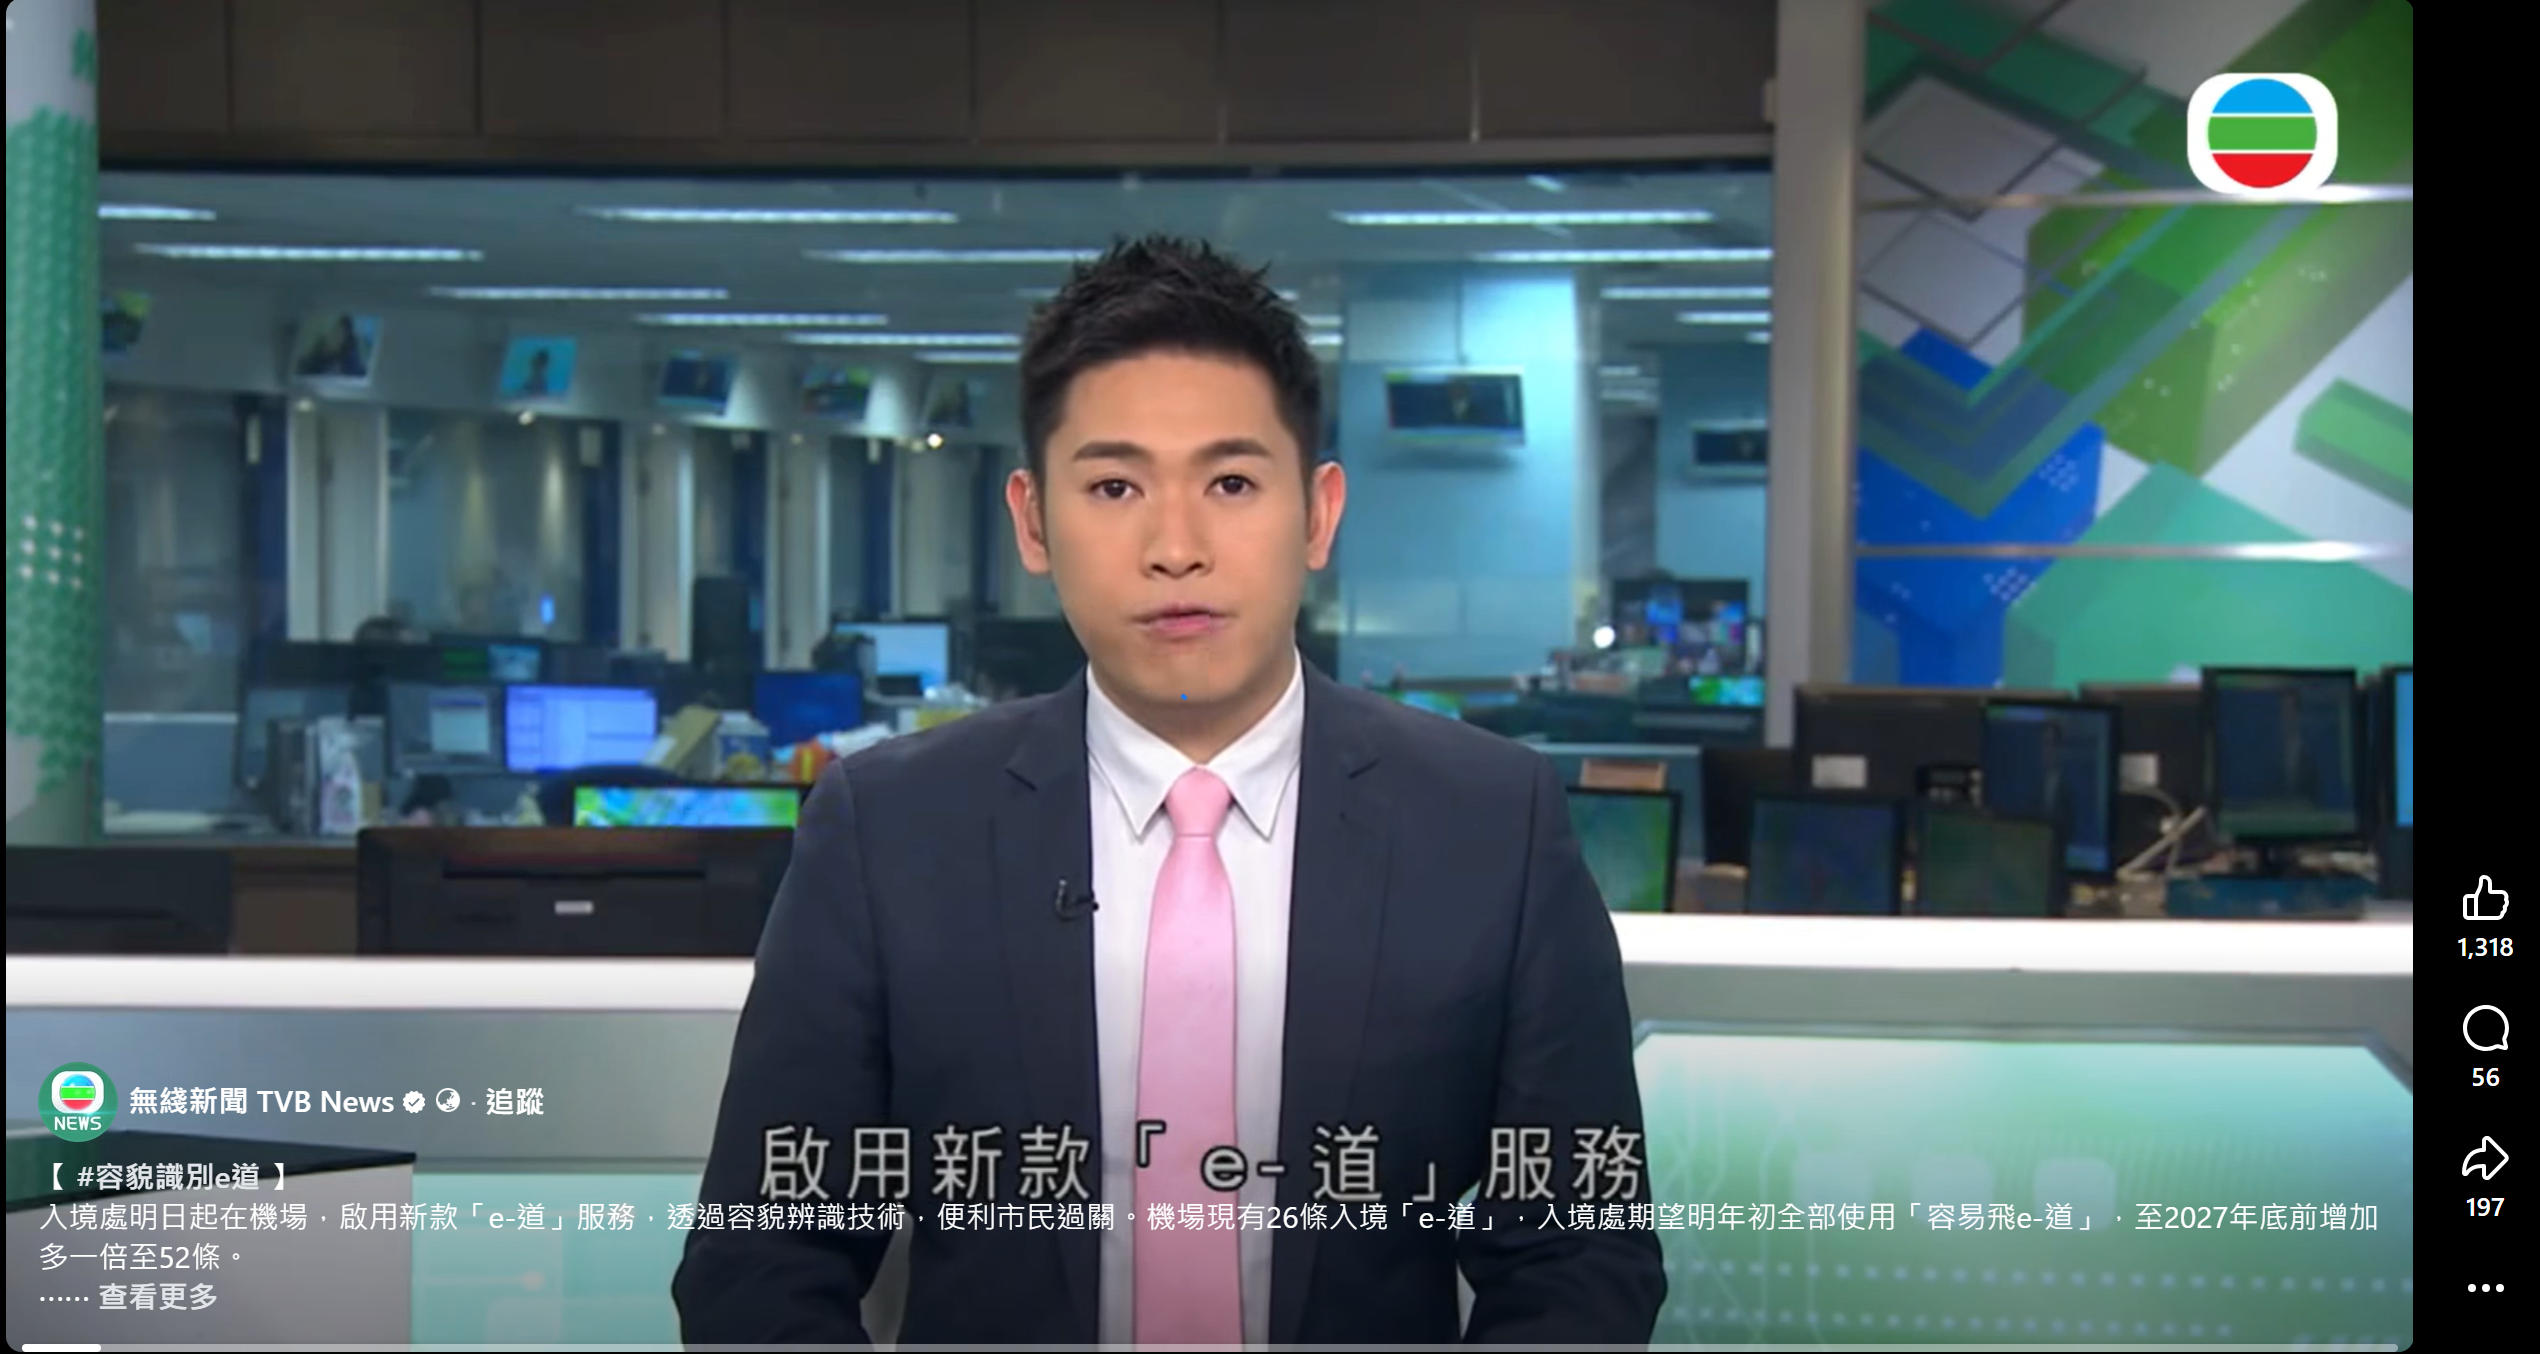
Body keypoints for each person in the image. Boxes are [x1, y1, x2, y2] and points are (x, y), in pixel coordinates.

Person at [673, 236, 1663, 1345]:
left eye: (1231, 482)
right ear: (1032, 520)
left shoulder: (1489, 824)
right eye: (1114, 486)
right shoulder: (887, 831)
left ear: (1318, 512)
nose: (1175, 547)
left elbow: (1583, 1251)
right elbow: (759, 1258)